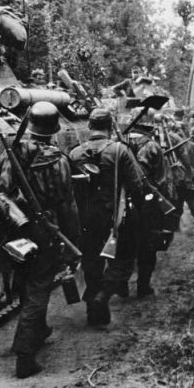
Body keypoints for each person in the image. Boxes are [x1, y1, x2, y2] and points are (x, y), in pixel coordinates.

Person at [0, 101, 80, 378]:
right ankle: (25, 354)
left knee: (26, 283)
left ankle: (38, 331)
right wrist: (71, 237)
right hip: (45, 230)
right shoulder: (58, 159)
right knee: (39, 288)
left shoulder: (11, 154)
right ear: (53, 130)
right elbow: (66, 203)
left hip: (14, 231)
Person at [69, 108, 147, 325]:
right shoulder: (119, 150)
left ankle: (93, 308)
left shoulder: (75, 153)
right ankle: (103, 296)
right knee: (123, 259)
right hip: (116, 215)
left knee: (91, 260)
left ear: (90, 126)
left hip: (85, 218)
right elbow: (136, 185)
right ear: (111, 126)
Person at [128, 121, 174, 297]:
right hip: (150, 202)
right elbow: (162, 177)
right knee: (148, 245)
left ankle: (122, 285)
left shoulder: (120, 144)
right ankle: (143, 286)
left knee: (127, 243)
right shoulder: (152, 146)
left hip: (126, 202)